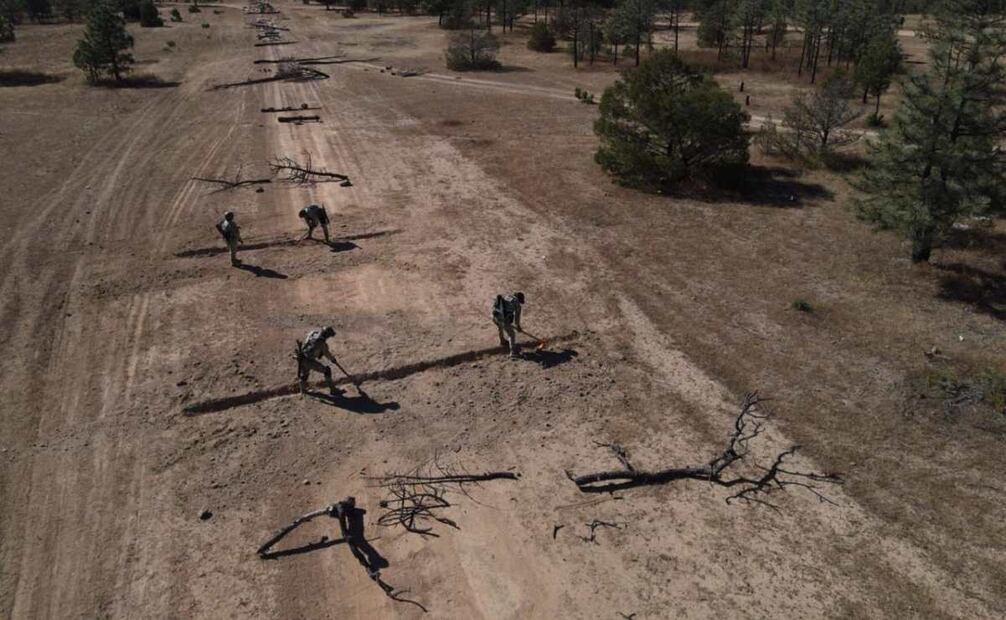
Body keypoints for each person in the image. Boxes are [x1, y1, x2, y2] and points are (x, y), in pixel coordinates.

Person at [296, 326, 339, 395]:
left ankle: (303, 390)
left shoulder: (313, 334)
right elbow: (327, 354)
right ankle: (333, 390)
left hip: (301, 357)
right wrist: (333, 360)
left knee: (305, 374)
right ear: (327, 335)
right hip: (308, 360)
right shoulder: (322, 343)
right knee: (327, 371)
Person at [492, 292, 525, 358]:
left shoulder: (507, 296)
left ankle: (502, 341)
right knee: (512, 334)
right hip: (503, 319)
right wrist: (518, 327)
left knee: (500, 327)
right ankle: (513, 353)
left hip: (495, 316)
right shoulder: (517, 303)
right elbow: (517, 317)